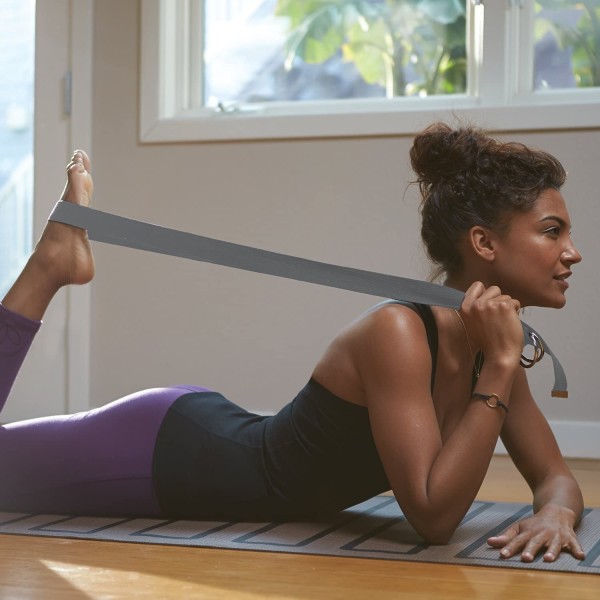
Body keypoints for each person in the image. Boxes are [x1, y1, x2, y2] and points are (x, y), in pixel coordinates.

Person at [0, 123, 585, 564]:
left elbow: (554, 476)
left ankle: (56, 259)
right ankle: (51, 263)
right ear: (483, 243)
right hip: (157, 458)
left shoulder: (491, 345)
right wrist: (502, 367)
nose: (572, 253)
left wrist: (556, 512)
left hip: (204, 431)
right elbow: (434, 517)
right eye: (551, 231)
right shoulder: (401, 333)